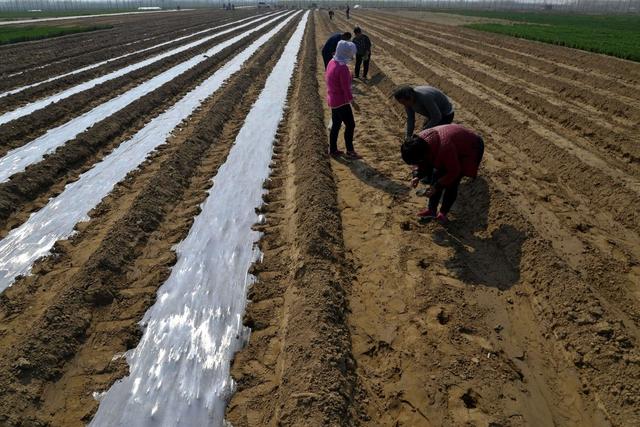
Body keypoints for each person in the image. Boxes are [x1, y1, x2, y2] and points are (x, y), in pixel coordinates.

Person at [401, 124, 484, 224]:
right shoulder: (419, 142)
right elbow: (423, 162)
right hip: (453, 144)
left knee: (452, 183)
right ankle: (431, 210)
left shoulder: (444, 147)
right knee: (436, 176)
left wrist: (436, 186)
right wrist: (417, 176)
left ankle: (443, 213)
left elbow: (454, 171)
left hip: (471, 147)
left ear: (423, 154)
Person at [326, 41, 361, 159]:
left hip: (333, 99)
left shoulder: (332, 61)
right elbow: (346, 88)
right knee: (350, 125)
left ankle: (333, 149)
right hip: (341, 101)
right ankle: (350, 151)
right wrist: (353, 102)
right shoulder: (342, 68)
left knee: (336, 124)